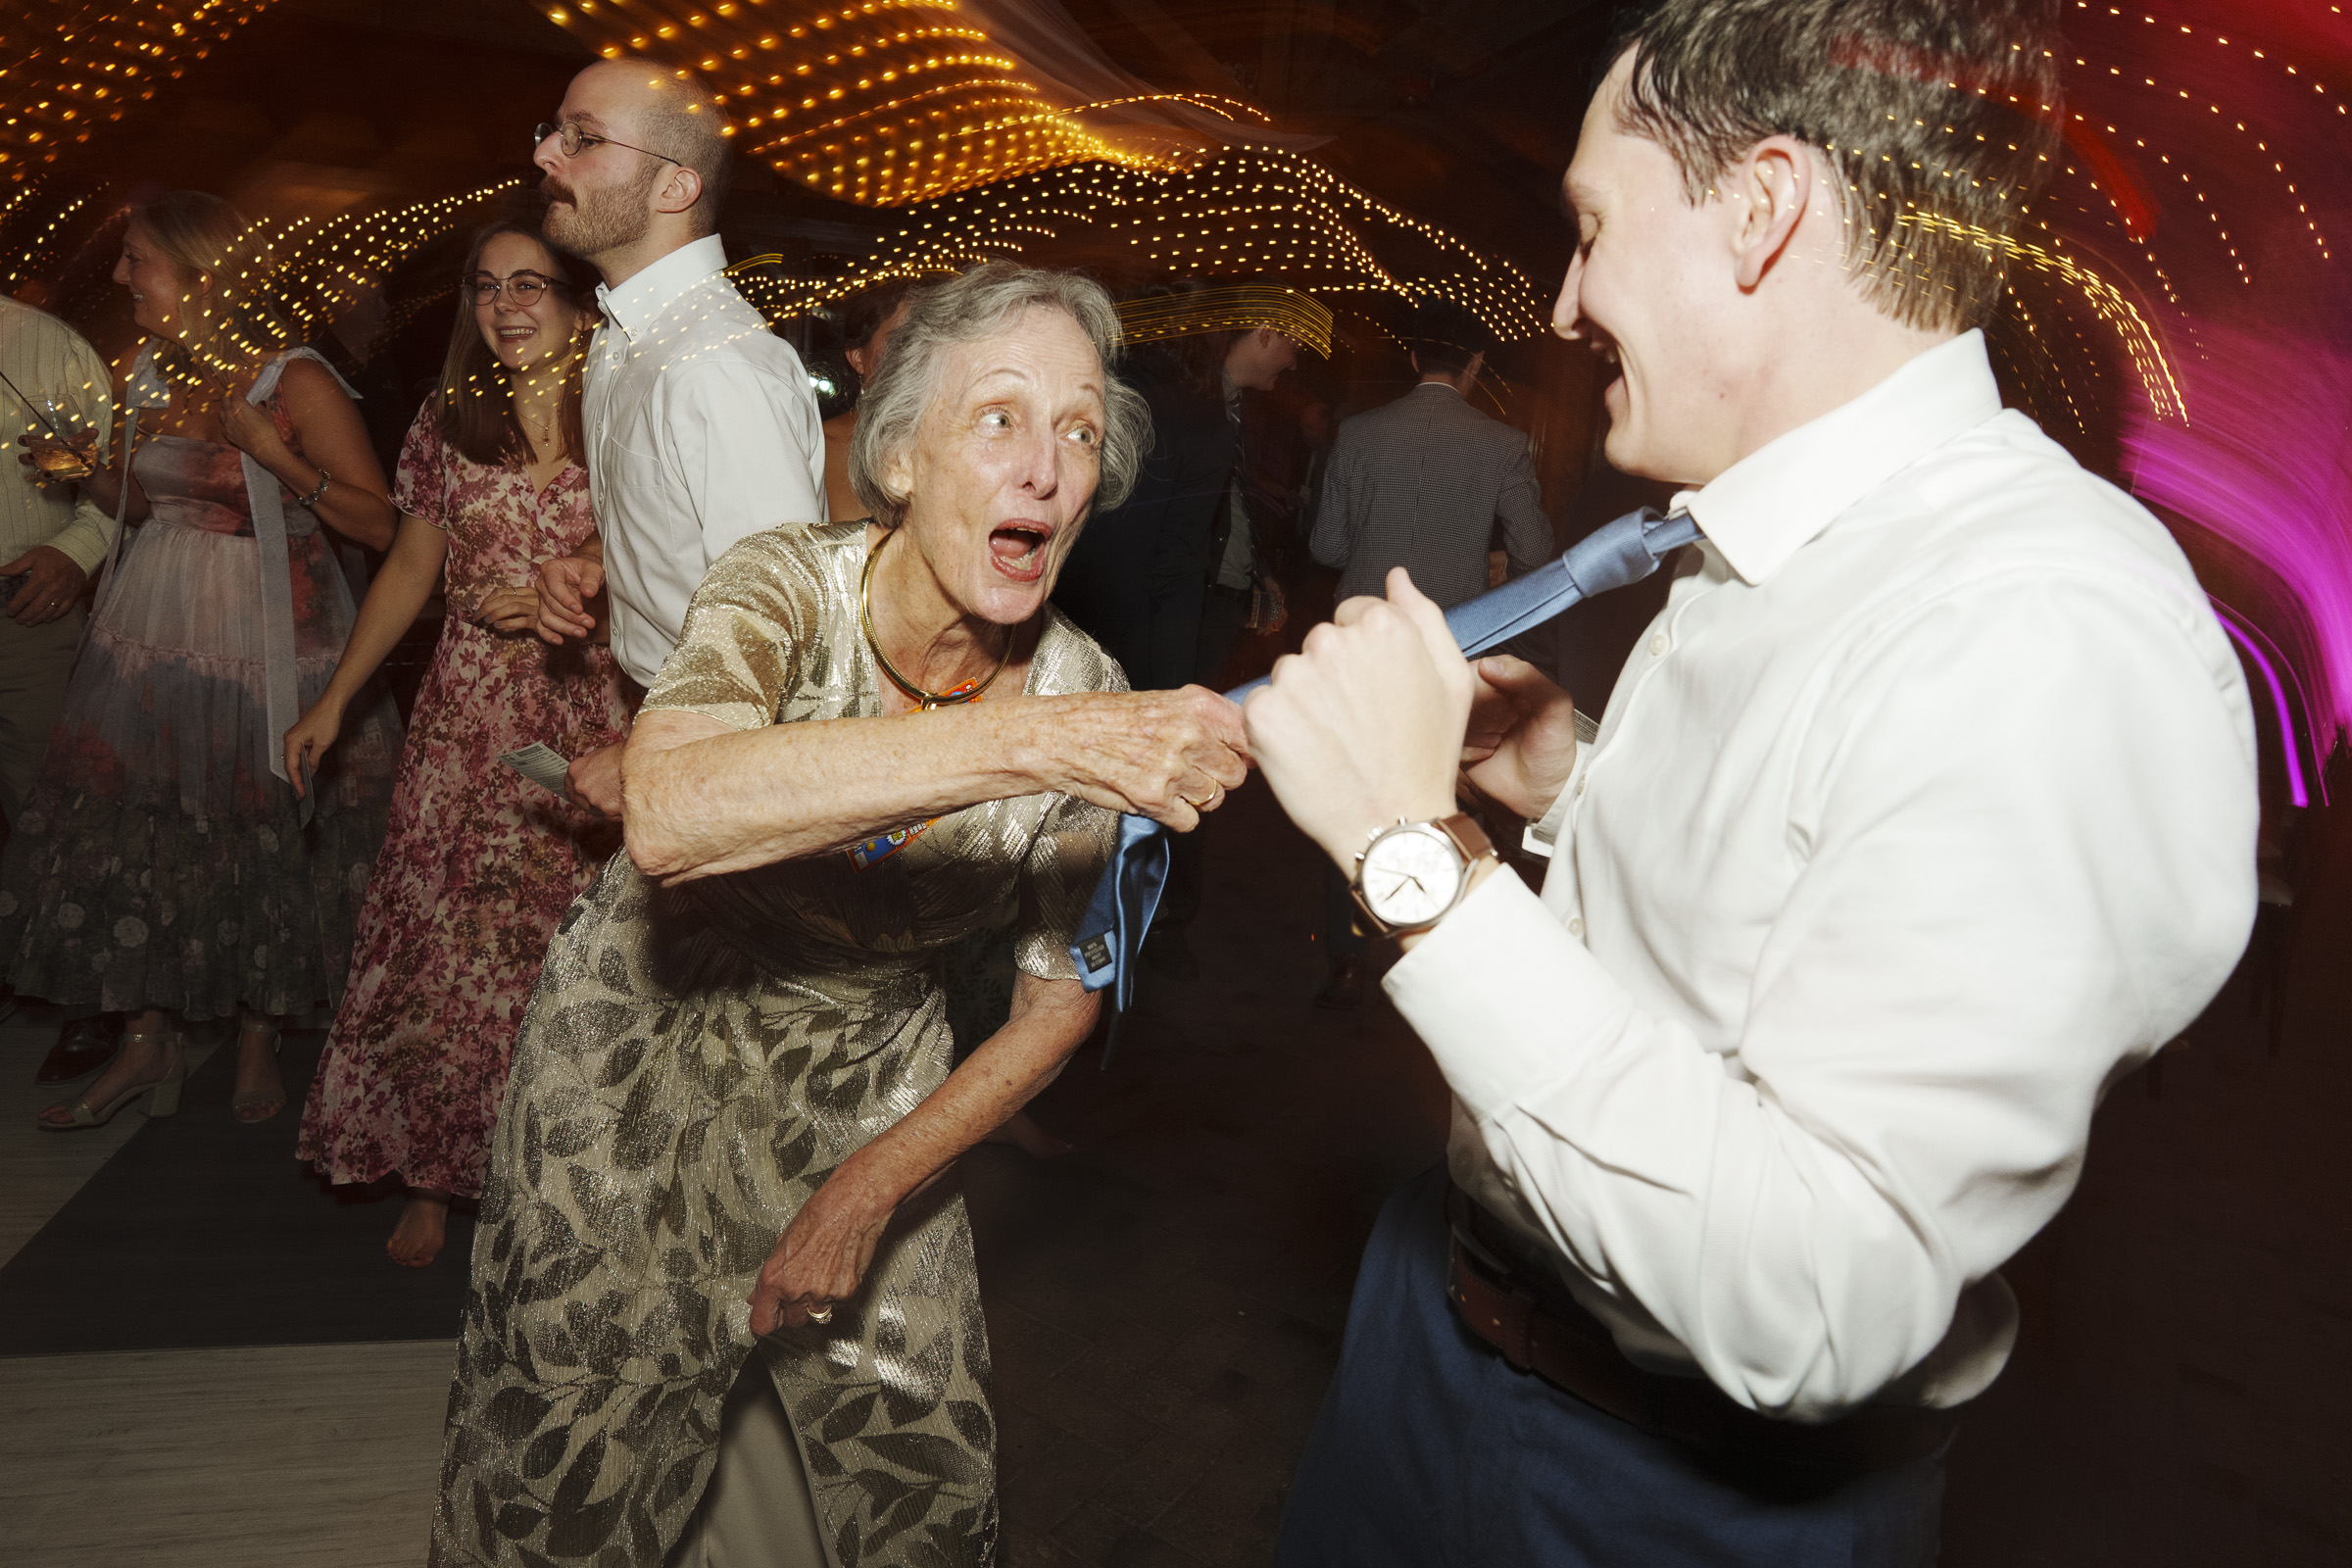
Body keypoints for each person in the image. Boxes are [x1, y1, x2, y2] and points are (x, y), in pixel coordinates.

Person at [1246, 4, 2259, 1563]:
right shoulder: (1762, 541)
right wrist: (1560, 775)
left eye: (1590, 228)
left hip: (1660, 1489)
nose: (1569, 300)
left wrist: (1409, 856)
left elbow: (1817, 1294)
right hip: (1440, 1318)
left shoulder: (2038, 626)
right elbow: (1774, 905)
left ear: (1763, 210)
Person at [429, 262, 1248, 1568]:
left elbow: (1059, 1002)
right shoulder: (782, 591)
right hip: (641, 1063)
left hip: (870, 1080)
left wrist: (869, 1187)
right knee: (572, 1469)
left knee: (922, 1483)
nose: (1047, 465)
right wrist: (1036, 748)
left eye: (1080, 430)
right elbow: (675, 810)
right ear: (904, 458)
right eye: (998, 417)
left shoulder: (1087, 685)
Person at [0, 190, 402, 1130]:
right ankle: (146, 1042)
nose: (118, 275)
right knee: (147, 829)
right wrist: (80, 472)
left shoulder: (292, 380)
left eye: (135, 257)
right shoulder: (147, 371)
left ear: (196, 271)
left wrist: (273, 452)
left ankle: (259, 1032)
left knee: (256, 827)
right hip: (152, 633)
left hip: (269, 640)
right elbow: (147, 506)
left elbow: (379, 522)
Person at [287, 222, 636, 1268]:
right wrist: (336, 699)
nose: (506, 304)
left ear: (581, 303)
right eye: (487, 287)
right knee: (447, 948)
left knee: (568, 949)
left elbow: (683, 554)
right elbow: (407, 568)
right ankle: (438, 1175)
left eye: (533, 283)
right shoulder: (450, 418)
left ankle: (566, 1166)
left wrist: (581, 585)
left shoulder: (625, 410)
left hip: (598, 713)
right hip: (470, 721)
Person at [527, 61, 827, 815]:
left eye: (583, 138)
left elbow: (790, 641)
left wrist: (646, 762)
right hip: (678, 723)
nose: (544, 155)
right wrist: (600, 559)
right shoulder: (625, 337)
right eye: (552, 132)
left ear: (674, 188)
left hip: (724, 756)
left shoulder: (718, 370)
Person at [1303, 305, 1553, 1009]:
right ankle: (1430, 945)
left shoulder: (1360, 432)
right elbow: (1536, 552)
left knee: (1351, 787)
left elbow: (1326, 546)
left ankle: (1347, 952)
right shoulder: (1502, 443)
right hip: (1452, 647)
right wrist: (1487, 560)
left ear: (1414, 361)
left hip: (1362, 638)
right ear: (1474, 367)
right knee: (1437, 795)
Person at [1054, 315, 1298, 982]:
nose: (1296, 360)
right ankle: (1140, 930)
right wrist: (1168, 683)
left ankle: (1103, 932)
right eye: (1293, 339)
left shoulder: (1118, 397)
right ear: (1260, 332)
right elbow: (1172, 558)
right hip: (1151, 625)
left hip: (1108, 617)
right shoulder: (1193, 417)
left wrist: (1256, 577)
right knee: (1171, 769)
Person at [0, 287, 116, 1041]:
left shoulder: (47, 346)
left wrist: (73, 557)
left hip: (21, 609)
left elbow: (125, 488)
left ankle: (89, 1003)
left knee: (46, 809)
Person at [819, 282, 918, 521]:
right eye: (900, 340)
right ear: (857, 358)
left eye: (921, 338)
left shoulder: (950, 440)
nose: (914, 351)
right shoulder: (821, 446)